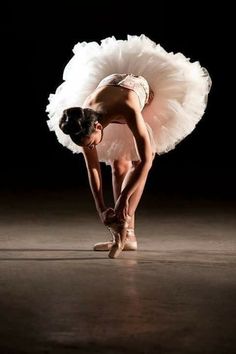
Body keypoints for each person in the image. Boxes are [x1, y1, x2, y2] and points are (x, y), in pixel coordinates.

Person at [46, 34, 211, 259]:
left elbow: (146, 160)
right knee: (116, 165)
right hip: (110, 92)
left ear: (97, 127)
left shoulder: (127, 108)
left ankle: (128, 228)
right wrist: (101, 208)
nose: (93, 147)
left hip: (142, 96)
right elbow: (93, 169)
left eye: (92, 142)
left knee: (137, 161)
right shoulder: (84, 117)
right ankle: (123, 235)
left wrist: (123, 199)